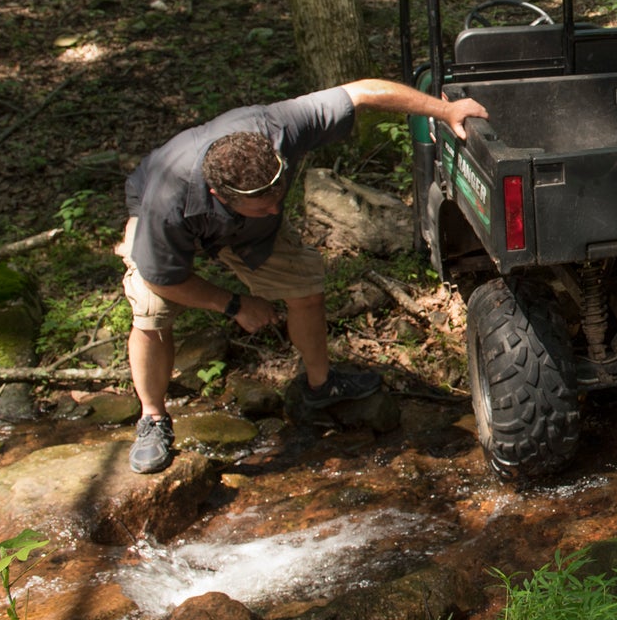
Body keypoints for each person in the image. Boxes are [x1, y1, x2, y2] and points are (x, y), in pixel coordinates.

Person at [118, 79, 487, 476]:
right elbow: (164, 280)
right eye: (264, 205)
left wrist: (443, 110)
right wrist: (234, 304)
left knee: (306, 284)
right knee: (152, 313)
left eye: (279, 197)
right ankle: (153, 419)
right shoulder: (166, 204)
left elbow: (362, 92)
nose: (277, 210)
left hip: (248, 232)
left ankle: (320, 385)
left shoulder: (278, 128)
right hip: (167, 216)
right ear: (221, 195)